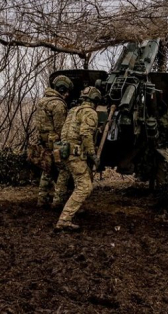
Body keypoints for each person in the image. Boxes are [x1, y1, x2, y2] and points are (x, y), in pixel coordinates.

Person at [54, 86, 101, 231]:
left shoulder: (73, 111)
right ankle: (64, 220)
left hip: (65, 152)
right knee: (84, 186)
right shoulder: (90, 113)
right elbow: (85, 134)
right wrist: (92, 155)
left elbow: (66, 132)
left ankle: (74, 208)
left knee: (84, 179)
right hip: (75, 154)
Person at [31, 75, 72, 207]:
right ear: (62, 89)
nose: (67, 95)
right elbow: (61, 129)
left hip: (44, 141)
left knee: (47, 169)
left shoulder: (42, 101)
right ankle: (58, 201)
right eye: (66, 92)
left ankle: (41, 199)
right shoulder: (58, 105)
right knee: (64, 171)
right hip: (55, 143)